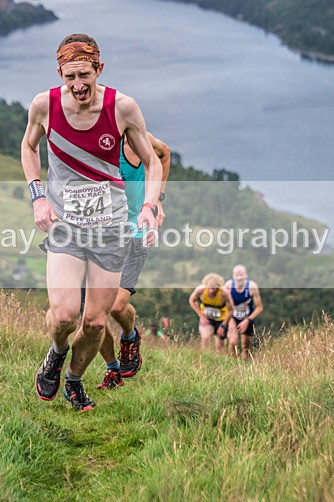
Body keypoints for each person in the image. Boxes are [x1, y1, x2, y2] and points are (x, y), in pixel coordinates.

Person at [23, 33, 162, 411]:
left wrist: (150, 205)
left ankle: (74, 380)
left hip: (110, 229)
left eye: (85, 75)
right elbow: (29, 146)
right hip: (66, 227)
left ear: (99, 69)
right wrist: (38, 196)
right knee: (65, 315)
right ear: (60, 74)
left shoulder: (122, 107)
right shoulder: (44, 105)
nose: (78, 85)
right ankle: (55, 353)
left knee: (97, 322)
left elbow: (153, 161)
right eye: (70, 78)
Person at [95, 131, 171, 391]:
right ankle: (112, 370)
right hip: (103, 236)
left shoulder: (138, 139)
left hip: (136, 233)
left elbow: (165, 153)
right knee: (94, 314)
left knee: (116, 306)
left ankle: (130, 337)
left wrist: (158, 201)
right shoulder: (96, 140)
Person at [224, 264, 263, 361]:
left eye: (241, 275)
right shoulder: (228, 286)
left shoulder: (252, 287)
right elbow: (224, 306)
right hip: (232, 316)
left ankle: (245, 369)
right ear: (233, 276)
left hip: (247, 317)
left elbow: (259, 308)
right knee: (233, 342)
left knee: (245, 347)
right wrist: (230, 320)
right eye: (236, 275)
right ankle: (230, 365)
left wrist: (247, 320)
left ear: (246, 275)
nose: (239, 277)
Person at [188, 273, 233, 352]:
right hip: (207, 318)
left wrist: (223, 325)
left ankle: (218, 362)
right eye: (209, 288)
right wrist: (201, 315)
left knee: (220, 347)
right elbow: (191, 300)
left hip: (221, 320)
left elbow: (231, 310)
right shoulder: (200, 290)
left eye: (214, 289)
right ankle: (205, 359)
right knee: (205, 338)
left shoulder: (224, 294)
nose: (211, 291)